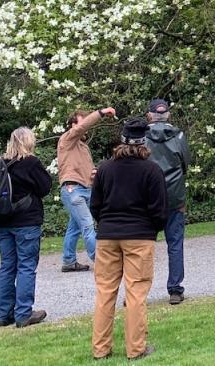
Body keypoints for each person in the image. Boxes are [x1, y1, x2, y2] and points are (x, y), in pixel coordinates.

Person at [90, 118, 168, 361]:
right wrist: (152, 229)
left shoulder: (105, 169)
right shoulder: (151, 170)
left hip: (108, 236)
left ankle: (100, 349)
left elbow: (95, 205)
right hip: (140, 236)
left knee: (105, 292)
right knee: (135, 293)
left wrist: (105, 224)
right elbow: (160, 210)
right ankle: (136, 349)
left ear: (121, 141)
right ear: (144, 142)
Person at [0, 127, 53, 328]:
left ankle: (4, 314)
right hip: (27, 221)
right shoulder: (31, 163)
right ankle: (23, 313)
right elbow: (45, 187)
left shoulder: (1, 164)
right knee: (26, 266)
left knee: (7, 267)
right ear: (29, 141)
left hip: (4, 222)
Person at [57, 106, 119, 272]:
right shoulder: (67, 139)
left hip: (84, 189)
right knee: (87, 225)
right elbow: (82, 127)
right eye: (82, 122)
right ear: (72, 125)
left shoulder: (83, 147)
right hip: (73, 189)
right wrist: (101, 113)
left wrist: (94, 173)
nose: (86, 126)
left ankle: (69, 261)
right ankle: (101, 262)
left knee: (75, 227)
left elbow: (86, 170)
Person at [145, 98, 192, 304]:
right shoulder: (179, 136)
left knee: (142, 246)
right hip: (174, 195)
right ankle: (175, 289)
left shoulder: (142, 137)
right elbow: (185, 164)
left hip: (148, 198)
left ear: (149, 115)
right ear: (168, 115)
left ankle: (138, 290)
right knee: (175, 243)